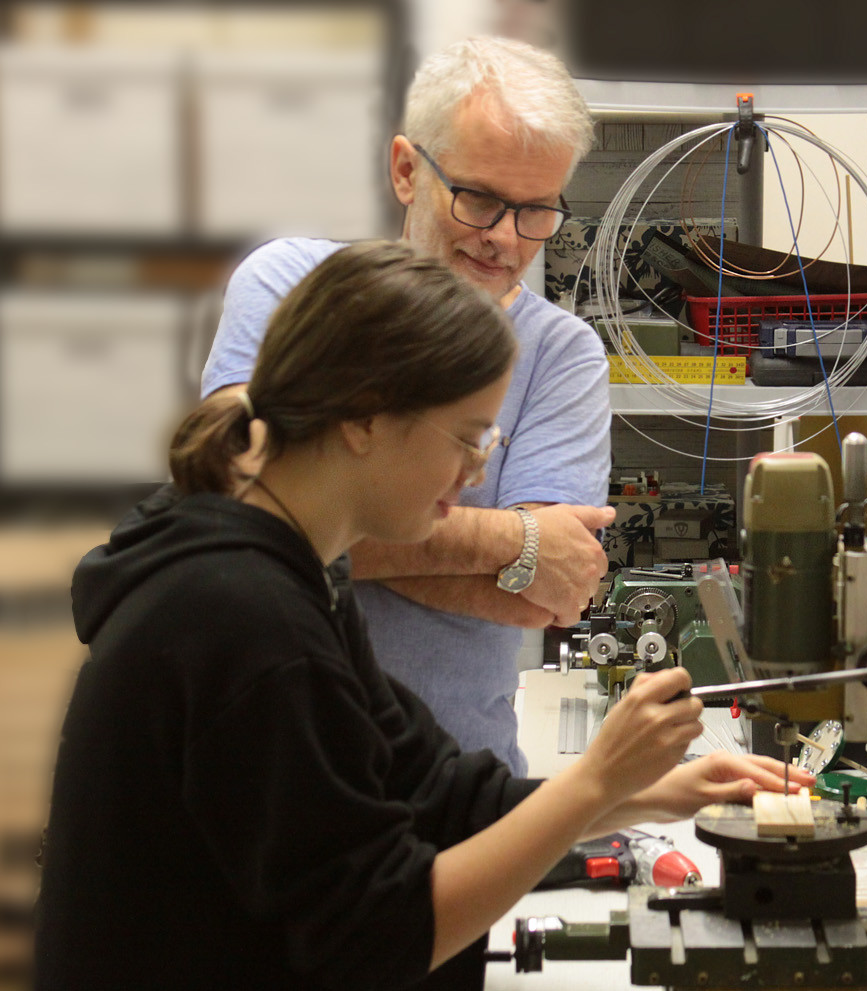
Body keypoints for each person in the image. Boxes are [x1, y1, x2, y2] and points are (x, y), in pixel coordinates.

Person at [36, 241, 810, 991]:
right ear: (363, 419)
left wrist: (651, 791)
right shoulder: (244, 622)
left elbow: (439, 794)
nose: (475, 474)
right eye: (467, 439)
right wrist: (596, 781)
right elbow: (377, 935)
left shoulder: (304, 578)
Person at [200, 36, 612, 772]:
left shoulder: (562, 354)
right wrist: (514, 540)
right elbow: (239, 506)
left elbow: (551, 591)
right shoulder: (289, 287)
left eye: (536, 211)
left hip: (458, 787)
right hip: (270, 776)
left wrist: (324, 528)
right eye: (479, 199)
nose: (505, 239)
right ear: (405, 170)